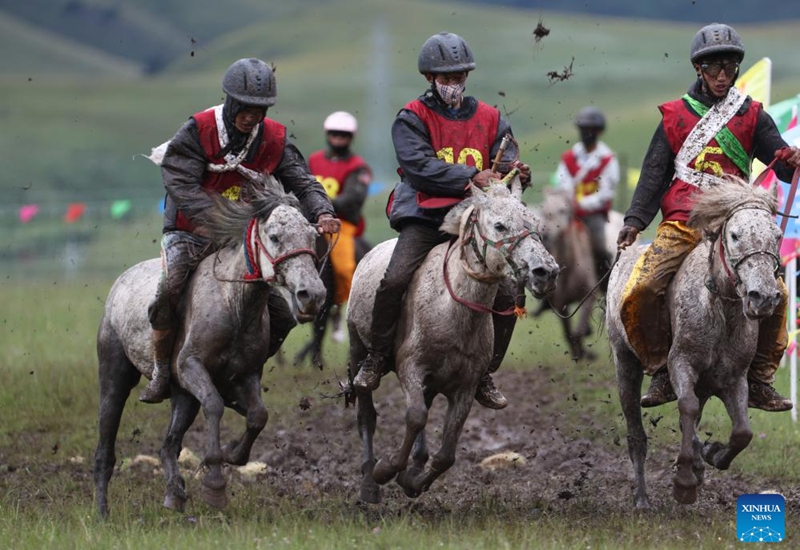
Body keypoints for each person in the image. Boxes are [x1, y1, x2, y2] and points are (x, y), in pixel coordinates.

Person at [616, 23, 800, 412]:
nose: (722, 76)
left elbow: (781, 164)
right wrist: (634, 220)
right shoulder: (674, 116)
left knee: (778, 293)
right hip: (685, 221)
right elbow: (654, 173)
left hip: (737, 225)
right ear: (699, 69)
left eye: (730, 68)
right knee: (643, 287)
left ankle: (759, 378)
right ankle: (661, 367)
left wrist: (792, 159)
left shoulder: (752, 115)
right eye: (714, 68)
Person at [140, 57, 340, 404]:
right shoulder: (197, 131)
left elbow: (303, 182)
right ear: (230, 100)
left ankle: (240, 373)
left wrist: (322, 210)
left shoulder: (274, 138)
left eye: (260, 109)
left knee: (282, 317)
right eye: (245, 107)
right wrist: (220, 221)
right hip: (190, 230)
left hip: (242, 240)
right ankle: (161, 371)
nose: (252, 116)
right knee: (170, 289)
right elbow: (179, 183)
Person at [352, 31, 532, 409]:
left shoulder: (490, 117)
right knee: (395, 277)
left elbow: (506, 160)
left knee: (510, 292)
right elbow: (419, 167)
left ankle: (483, 372)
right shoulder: (411, 118)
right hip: (425, 215)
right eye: (446, 78)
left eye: (459, 77)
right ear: (430, 78)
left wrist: (517, 174)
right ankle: (377, 355)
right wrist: (470, 177)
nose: (454, 84)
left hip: (476, 221)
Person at [307, 111, 372, 314]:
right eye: (335, 134)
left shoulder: (358, 167)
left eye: (343, 135)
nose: (338, 138)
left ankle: (340, 305)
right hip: (312, 222)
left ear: (350, 137)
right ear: (328, 134)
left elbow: (352, 198)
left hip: (341, 225)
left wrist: (320, 204)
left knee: (344, 269)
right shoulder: (314, 160)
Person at [555, 106, 620, 290]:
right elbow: (562, 182)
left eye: (590, 130)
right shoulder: (568, 157)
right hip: (569, 214)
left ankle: (606, 286)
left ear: (598, 132)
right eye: (583, 130)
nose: (586, 134)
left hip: (593, 216)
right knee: (550, 239)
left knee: (600, 247)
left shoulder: (608, 159)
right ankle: (549, 291)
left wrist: (581, 203)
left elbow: (606, 193)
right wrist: (569, 201)